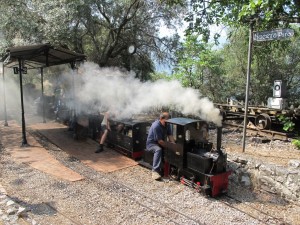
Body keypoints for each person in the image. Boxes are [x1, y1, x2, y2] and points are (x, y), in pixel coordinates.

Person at [146, 112, 175, 180]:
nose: (168, 123)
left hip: (161, 142)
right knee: (158, 149)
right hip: (152, 144)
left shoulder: (167, 124)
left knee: (171, 147)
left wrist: (174, 145)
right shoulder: (156, 126)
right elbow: (160, 141)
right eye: (166, 121)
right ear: (161, 119)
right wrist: (170, 146)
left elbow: (170, 135)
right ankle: (155, 171)